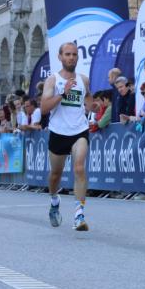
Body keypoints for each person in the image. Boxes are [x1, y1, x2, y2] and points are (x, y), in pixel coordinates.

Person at [40, 42, 93, 231]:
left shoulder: (84, 80)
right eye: (68, 54)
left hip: (79, 130)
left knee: (79, 168)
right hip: (58, 132)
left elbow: (89, 99)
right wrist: (63, 93)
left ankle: (79, 215)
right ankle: (54, 200)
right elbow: (44, 108)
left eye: (74, 54)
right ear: (60, 57)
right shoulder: (52, 81)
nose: (71, 57)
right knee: (55, 175)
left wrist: (91, 107)